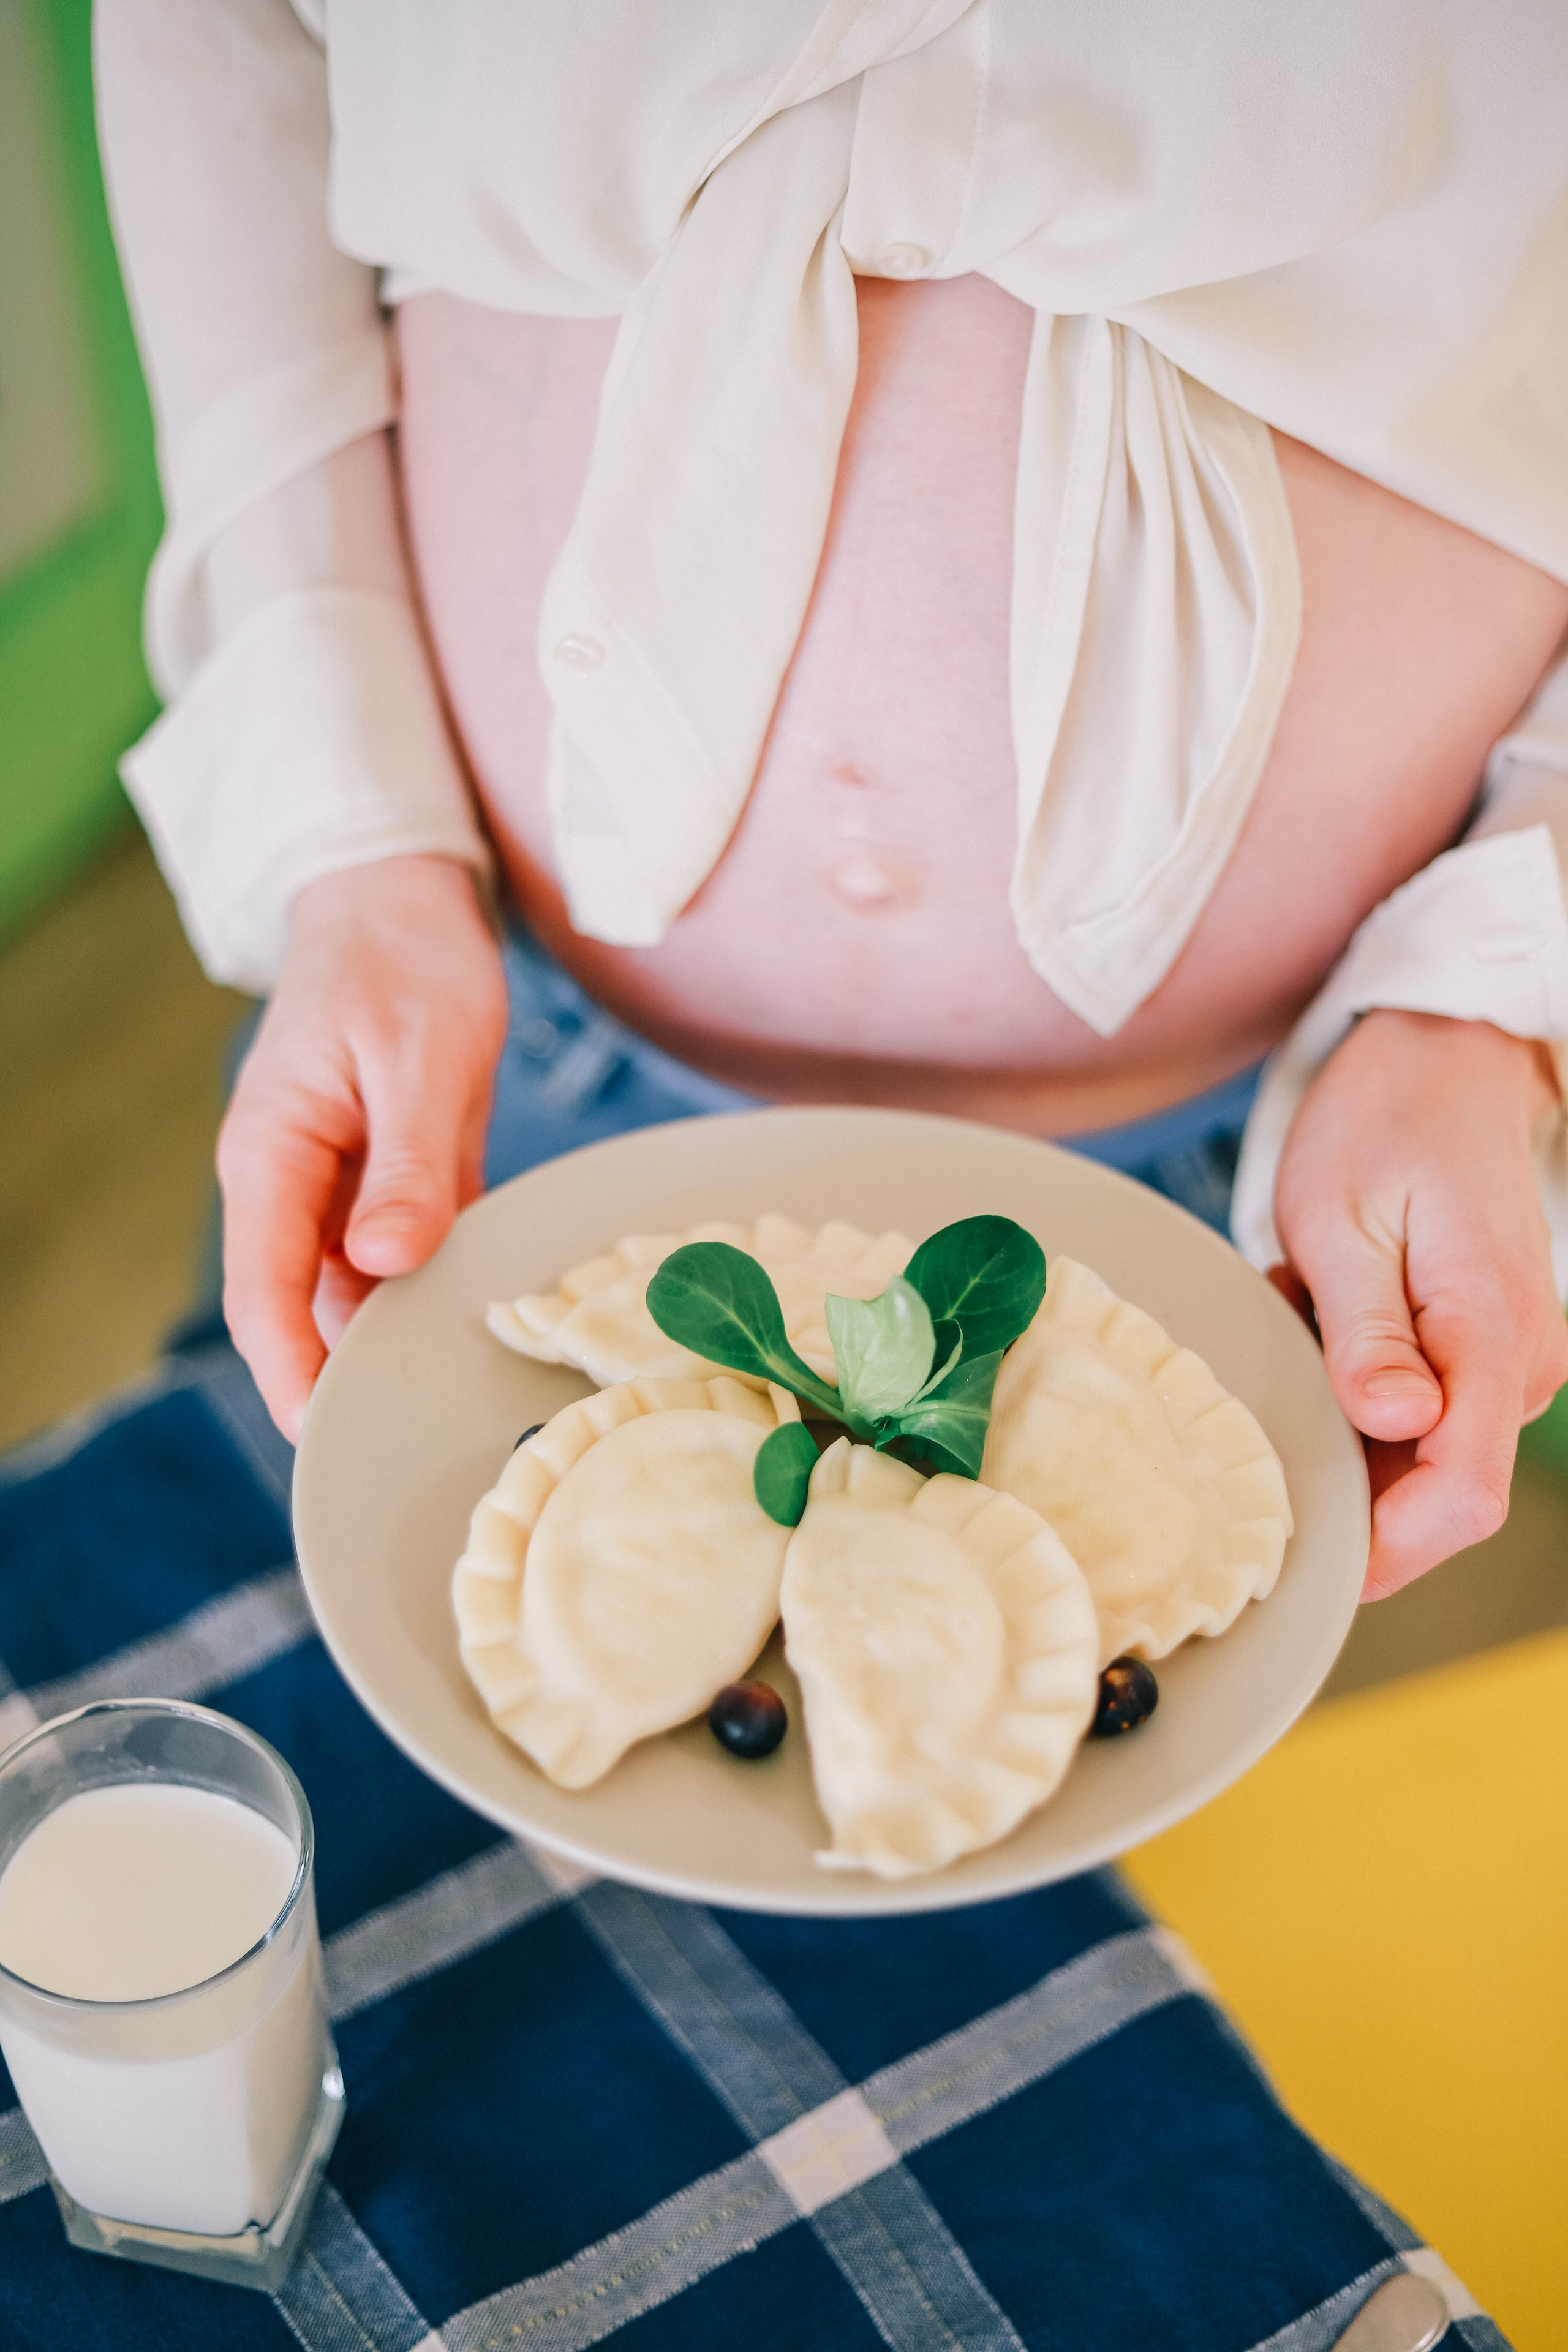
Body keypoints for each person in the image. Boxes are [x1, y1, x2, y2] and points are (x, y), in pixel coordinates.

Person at [97, 0, 1568, 1613]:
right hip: (482, 1081)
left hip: (1264, 1175)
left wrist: (1485, 997)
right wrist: (353, 847)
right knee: (303, 1682)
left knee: (1030, 1785)